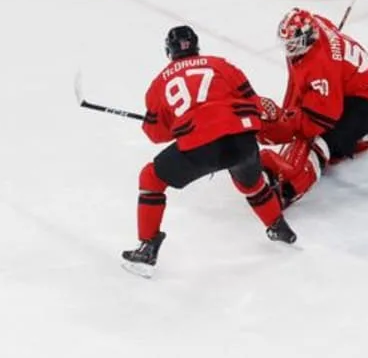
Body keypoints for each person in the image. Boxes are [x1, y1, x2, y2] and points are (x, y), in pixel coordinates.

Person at [121, 25, 296, 278]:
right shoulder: (221, 65)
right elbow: (253, 101)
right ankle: (278, 226)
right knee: (252, 184)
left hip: (201, 145)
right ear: (197, 46)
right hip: (242, 139)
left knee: (151, 178)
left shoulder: (160, 83)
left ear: (169, 51)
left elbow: (155, 134)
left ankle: (148, 247)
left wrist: (178, 125)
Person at [262, 8, 368, 205]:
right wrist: (287, 118)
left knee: (320, 143)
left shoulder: (321, 66)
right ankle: (358, 134)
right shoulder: (316, 24)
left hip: (366, 102)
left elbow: (321, 118)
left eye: (293, 44)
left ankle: (291, 190)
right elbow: (300, 85)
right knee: (310, 121)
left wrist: (291, 127)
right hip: (354, 89)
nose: (289, 49)